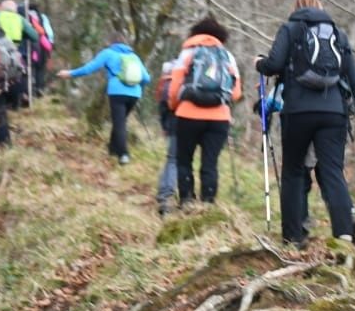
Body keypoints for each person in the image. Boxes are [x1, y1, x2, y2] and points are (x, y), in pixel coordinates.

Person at [255, 0, 355, 248]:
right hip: (334, 112)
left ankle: (293, 236)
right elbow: (354, 80)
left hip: (298, 110)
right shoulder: (338, 33)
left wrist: (259, 63)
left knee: (293, 171)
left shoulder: (290, 28)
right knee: (333, 171)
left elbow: (274, 64)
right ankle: (344, 235)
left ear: (297, 9)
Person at [168, 17, 243, 205]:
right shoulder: (227, 56)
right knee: (210, 163)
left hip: (188, 115)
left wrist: (174, 107)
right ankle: (208, 204)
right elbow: (236, 93)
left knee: (184, 160)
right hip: (219, 118)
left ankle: (187, 201)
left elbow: (174, 88)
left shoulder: (187, 53)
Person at [57, 32, 147, 164]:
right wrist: (137, 88)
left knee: (119, 123)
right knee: (120, 121)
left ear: (111, 42)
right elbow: (146, 78)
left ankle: (124, 154)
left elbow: (89, 69)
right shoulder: (134, 56)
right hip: (134, 94)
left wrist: (70, 73)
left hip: (117, 92)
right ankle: (112, 150)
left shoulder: (108, 53)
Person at [155, 57, 180, 215]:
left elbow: (163, 105)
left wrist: (164, 126)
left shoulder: (168, 76)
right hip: (200, 120)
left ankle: (165, 194)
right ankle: (186, 199)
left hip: (174, 120)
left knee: (172, 159)